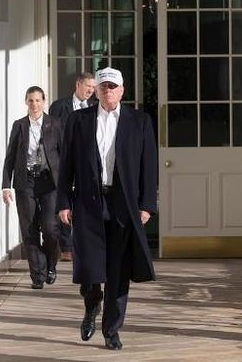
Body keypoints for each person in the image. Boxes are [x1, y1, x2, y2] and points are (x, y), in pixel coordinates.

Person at [56, 67, 158, 350]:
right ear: (96, 91)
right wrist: (63, 201)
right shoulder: (79, 121)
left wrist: (148, 204)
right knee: (88, 265)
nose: (108, 91)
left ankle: (112, 329)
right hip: (88, 202)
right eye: (103, 87)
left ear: (122, 91)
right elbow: (66, 165)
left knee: (118, 270)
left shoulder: (139, 121)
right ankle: (92, 304)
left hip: (124, 205)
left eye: (113, 87)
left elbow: (148, 166)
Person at [2, 86, 63, 290]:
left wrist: (67, 183)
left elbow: (64, 155)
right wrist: (5, 186)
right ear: (26, 102)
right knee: (29, 230)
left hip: (49, 182)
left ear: (44, 101)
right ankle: (37, 275)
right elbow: (9, 158)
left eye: (38, 100)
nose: (34, 104)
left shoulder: (54, 124)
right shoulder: (19, 126)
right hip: (25, 182)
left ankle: (50, 265)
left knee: (50, 228)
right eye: (30, 101)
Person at [49, 72, 96, 262]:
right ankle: (66, 246)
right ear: (78, 84)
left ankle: (85, 243)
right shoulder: (60, 107)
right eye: (88, 87)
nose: (91, 91)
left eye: (93, 88)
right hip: (63, 160)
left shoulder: (95, 107)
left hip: (86, 162)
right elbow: (50, 133)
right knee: (65, 202)